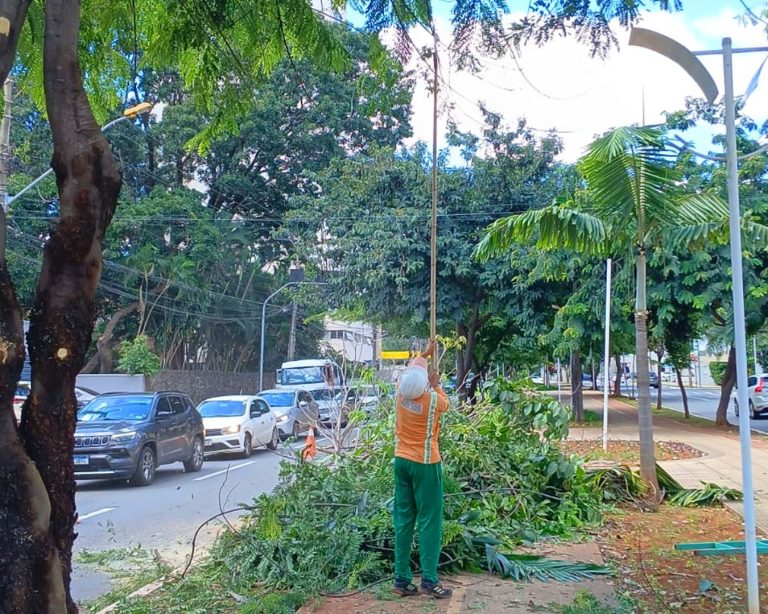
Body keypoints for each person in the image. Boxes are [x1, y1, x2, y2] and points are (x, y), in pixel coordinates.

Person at [392, 339, 452, 599]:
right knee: (429, 521)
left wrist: (423, 356)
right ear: (425, 385)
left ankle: (401, 579)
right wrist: (437, 382)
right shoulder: (432, 401)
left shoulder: (399, 394)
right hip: (426, 465)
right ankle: (429, 579)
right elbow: (447, 403)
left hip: (401, 462)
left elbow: (410, 374)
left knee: (403, 521)